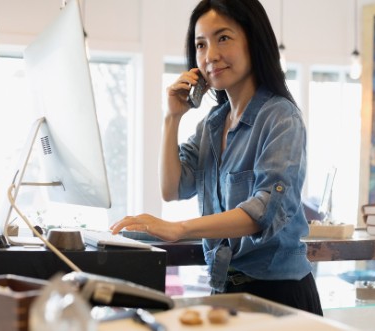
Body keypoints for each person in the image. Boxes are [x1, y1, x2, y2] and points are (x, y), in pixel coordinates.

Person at [110, 0, 323, 315]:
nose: (210, 56)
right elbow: (172, 188)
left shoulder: (281, 117)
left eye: (223, 38)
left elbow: (262, 211)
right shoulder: (212, 124)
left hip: (279, 294)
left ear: (253, 40)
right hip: (225, 287)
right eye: (200, 44)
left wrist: (180, 228)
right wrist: (172, 118)